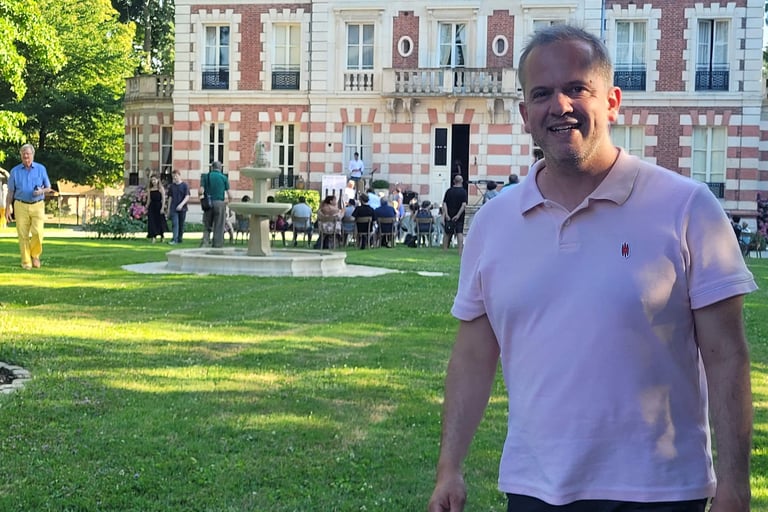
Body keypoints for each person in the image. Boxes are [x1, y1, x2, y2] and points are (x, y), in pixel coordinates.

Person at [428, 24, 756, 512]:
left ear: (612, 101)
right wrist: (449, 467)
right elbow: (473, 357)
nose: (559, 106)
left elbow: (727, 355)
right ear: (524, 114)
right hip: (536, 488)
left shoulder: (686, 207)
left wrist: (735, 485)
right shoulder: (493, 222)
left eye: (576, 88)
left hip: (662, 491)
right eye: (542, 93)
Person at [5, 144, 52, 269]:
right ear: (21, 155)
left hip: (38, 205)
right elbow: (10, 192)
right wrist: (7, 208)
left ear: (33, 155)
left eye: (28, 154)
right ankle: (26, 261)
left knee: (37, 232)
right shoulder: (15, 171)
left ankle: (35, 255)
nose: (26, 156)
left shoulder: (41, 169)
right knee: (23, 234)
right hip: (20, 205)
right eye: (23, 154)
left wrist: (40, 191)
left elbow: (48, 187)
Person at [199, 161, 232, 248]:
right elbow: (230, 195)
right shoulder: (224, 178)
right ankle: (217, 245)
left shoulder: (206, 176)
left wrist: (201, 199)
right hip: (220, 204)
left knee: (207, 225)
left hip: (209, 204)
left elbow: (200, 191)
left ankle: (205, 243)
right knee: (219, 226)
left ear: (212, 167)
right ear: (220, 168)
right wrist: (227, 204)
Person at [441, 174, 468, 255]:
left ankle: (445, 250)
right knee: (459, 233)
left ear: (454, 181)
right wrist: (458, 215)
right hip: (459, 215)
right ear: (462, 181)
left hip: (449, 214)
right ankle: (460, 251)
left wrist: (446, 214)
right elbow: (463, 205)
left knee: (447, 233)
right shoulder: (463, 192)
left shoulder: (449, 191)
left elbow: (444, 203)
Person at [167, 169, 190, 244]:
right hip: (173, 208)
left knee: (181, 224)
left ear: (179, 176)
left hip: (182, 208)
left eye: (176, 176)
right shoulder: (172, 186)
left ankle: (179, 238)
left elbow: (187, 196)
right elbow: (170, 197)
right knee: (175, 223)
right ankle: (174, 239)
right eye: (173, 177)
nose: (175, 178)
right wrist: (168, 209)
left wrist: (181, 204)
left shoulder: (184, 185)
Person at [145, 174, 167, 243]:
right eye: (152, 180)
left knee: (159, 222)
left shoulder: (161, 189)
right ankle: (153, 236)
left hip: (159, 206)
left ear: (158, 180)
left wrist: (162, 208)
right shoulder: (149, 189)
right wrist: (146, 206)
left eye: (154, 180)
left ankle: (162, 236)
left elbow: (163, 199)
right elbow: (149, 199)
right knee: (152, 222)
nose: (153, 181)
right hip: (152, 207)